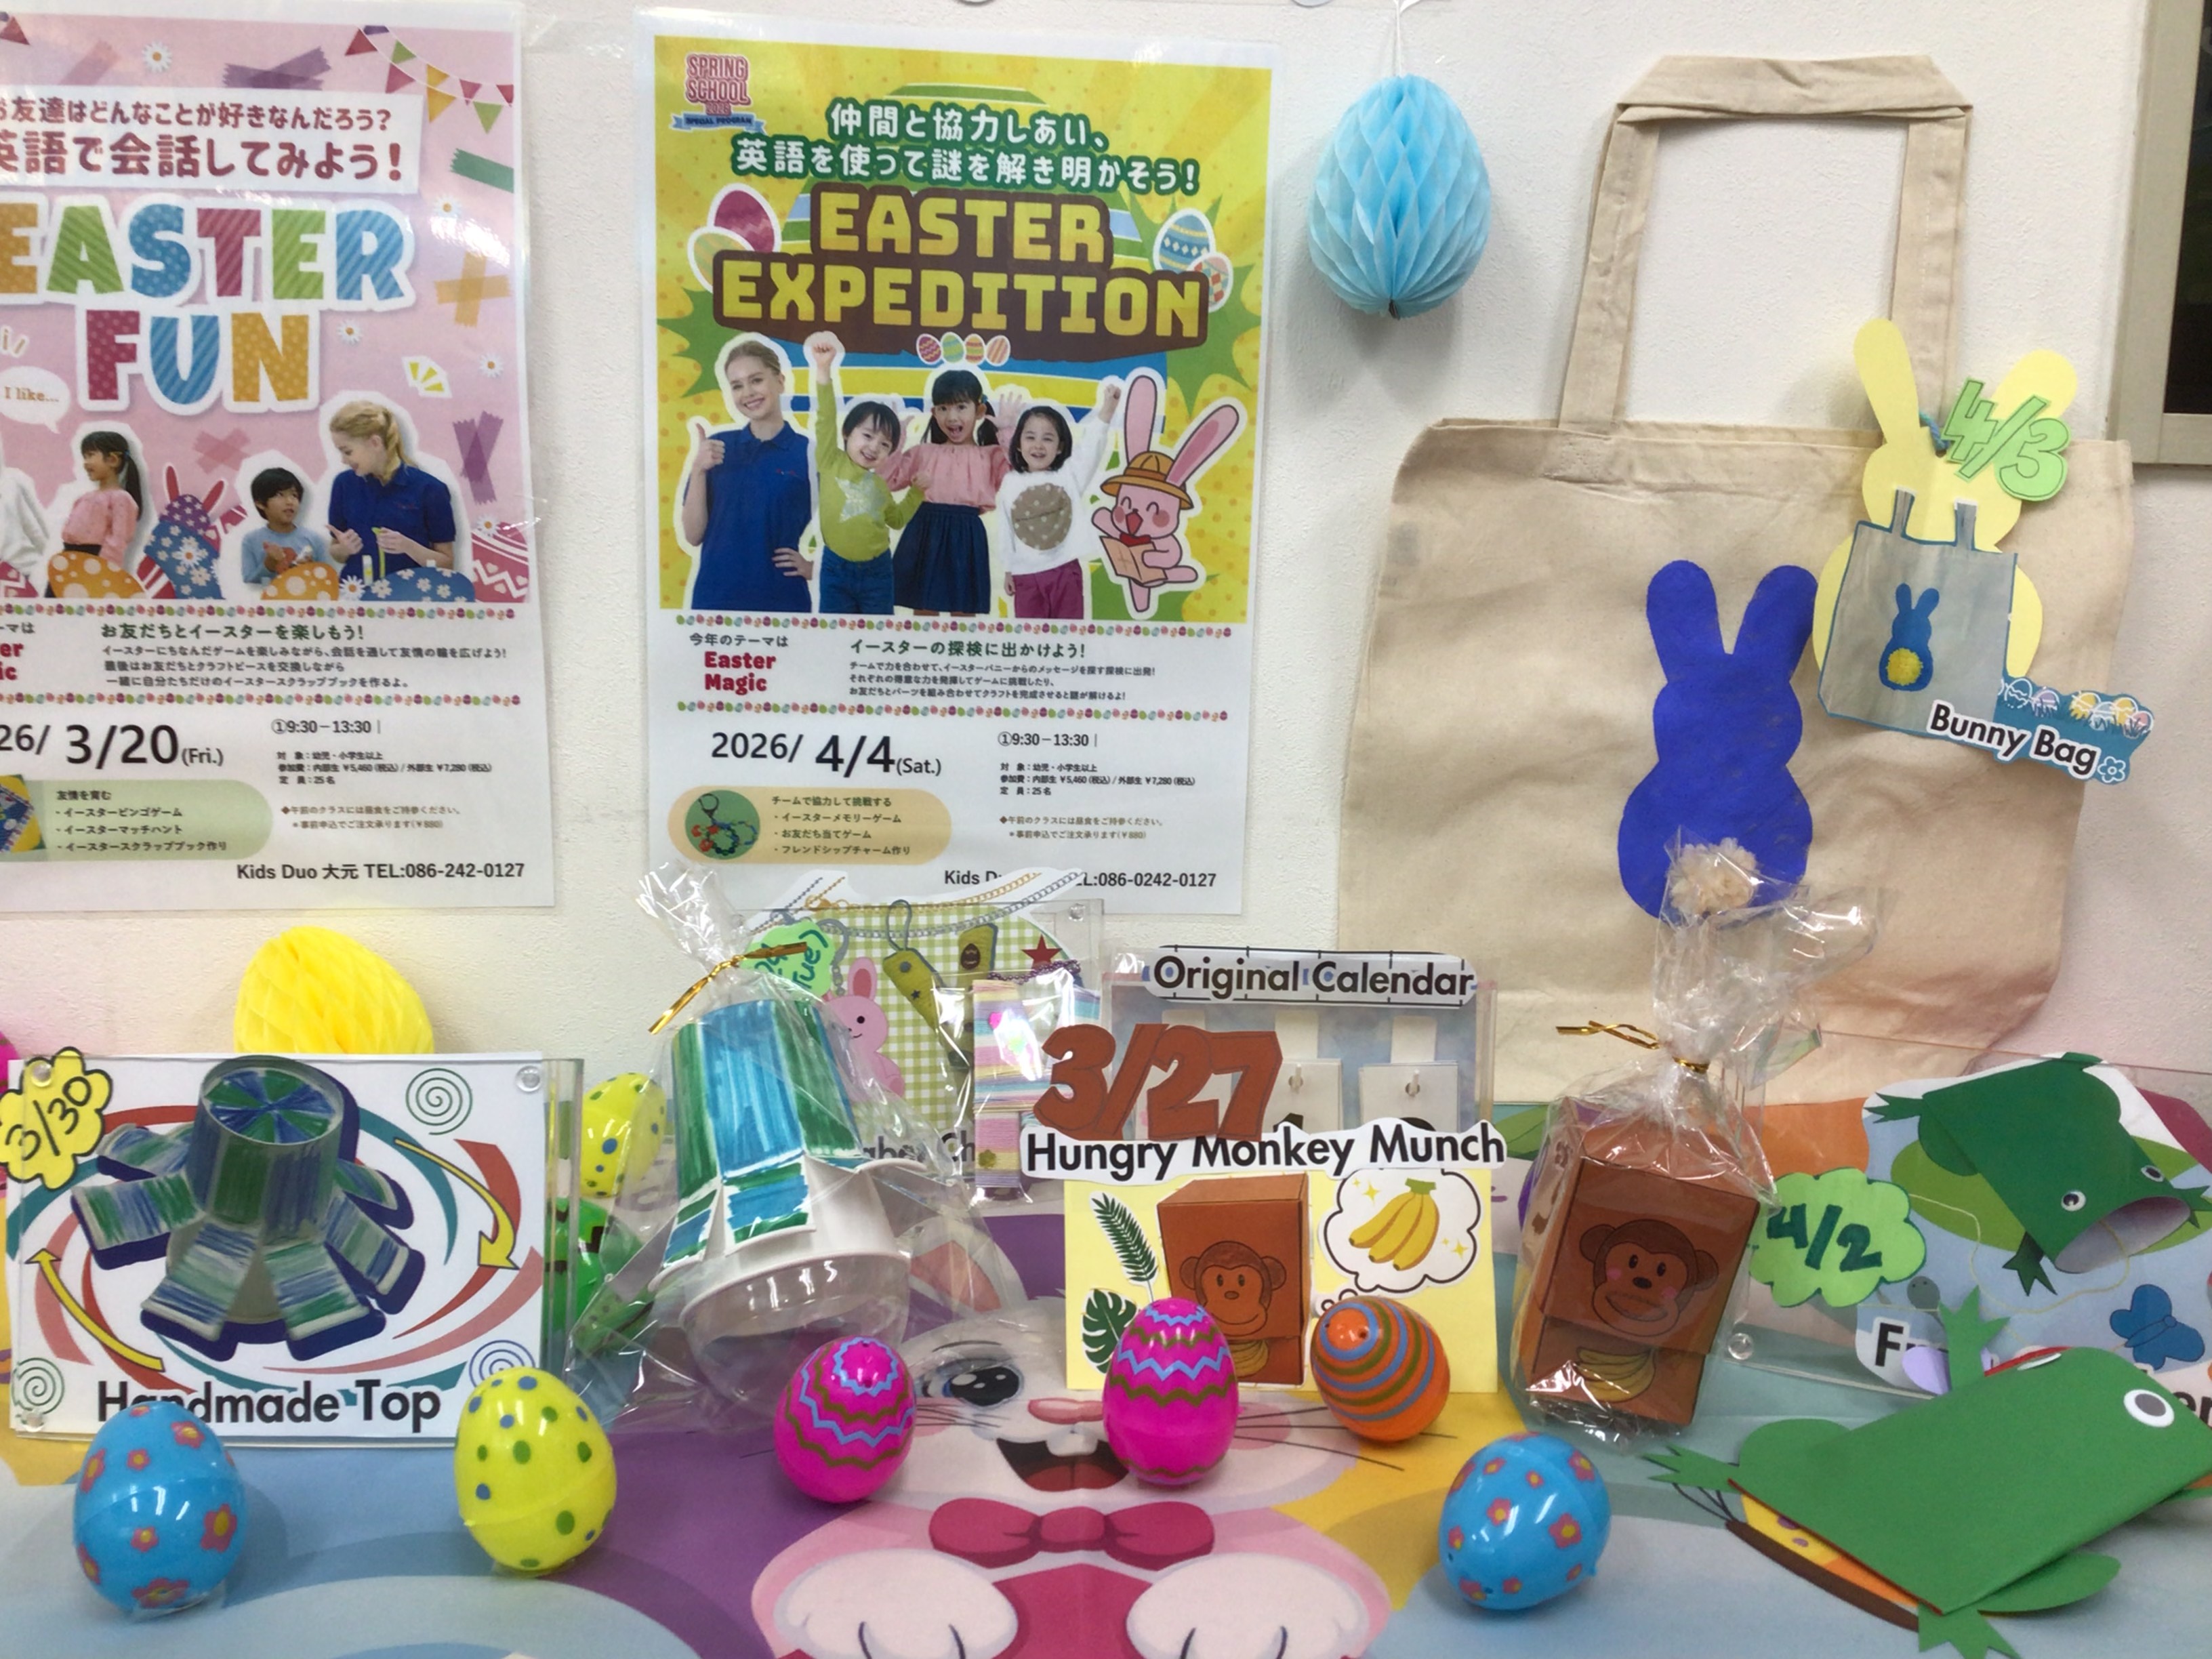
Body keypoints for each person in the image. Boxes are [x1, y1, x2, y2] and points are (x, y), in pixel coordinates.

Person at [679, 337, 814, 613]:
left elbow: (852, 521)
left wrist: (817, 568)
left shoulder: (809, 453)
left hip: (783, 603)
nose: (748, 393)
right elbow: (693, 535)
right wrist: (698, 470)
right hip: (715, 602)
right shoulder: (717, 448)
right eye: (737, 386)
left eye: (757, 380)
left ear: (780, 381)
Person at [876, 368, 1023, 617]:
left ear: (980, 411)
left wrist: (1007, 431)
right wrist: (895, 442)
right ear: (934, 413)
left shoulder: (992, 455)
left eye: (961, 407)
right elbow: (885, 482)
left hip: (967, 535)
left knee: (963, 614)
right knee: (924, 613)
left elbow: (1019, 480)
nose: (952, 417)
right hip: (924, 532)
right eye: (943, 408)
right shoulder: (923, 452)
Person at [803, 332, 919, 616]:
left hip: (877, 571)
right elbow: (825, 417)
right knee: (835, 633)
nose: (874, 447)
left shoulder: (879, 485)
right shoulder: (830, 460)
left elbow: (896, 520)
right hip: (836, 568)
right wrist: (823, 370)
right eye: (867, 435)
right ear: (847, 433)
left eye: (885, 445)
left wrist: (917, 493)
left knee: (879, 634)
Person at [996, 382, 1121, 621]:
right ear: (1019, 444)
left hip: (1064, 570)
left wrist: (1107, 410)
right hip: (1025, 575)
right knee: (1030, 638)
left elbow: (1091, 449)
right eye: (1030, 437)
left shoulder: (1069, 476)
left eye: (1048, 439)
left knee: (1069, 635)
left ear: (1060, 447)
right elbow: (1005, 528)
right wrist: (1009, 569)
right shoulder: (1010, 482)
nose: (1038, 445)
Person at [325, 401, 455, 586]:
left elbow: (447, 564)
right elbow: (336, 552)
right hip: (356, 596)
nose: (343, 460)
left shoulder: (430, 490)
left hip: (410, 596)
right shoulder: (343, 484)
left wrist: (408, 547)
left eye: (348, 452)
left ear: (375, 443)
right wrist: (344, 549)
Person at [59, 430, 142, 570]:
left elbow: (118, 539)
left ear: (112, 460)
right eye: (84, 457)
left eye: (91, 455)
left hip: (95, 563)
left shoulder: (121, 498)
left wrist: (103, 570)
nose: (86, 463)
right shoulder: (84, 498)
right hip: (69, 559)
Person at [240, 466, 331, 588]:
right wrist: (269, 565)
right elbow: (249, 580)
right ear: (260, 503)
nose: (290, 501)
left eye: (294, 495)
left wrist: (311, 570)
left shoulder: (314, 539)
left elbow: (327, 580)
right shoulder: (251, 540)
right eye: (280, 495)